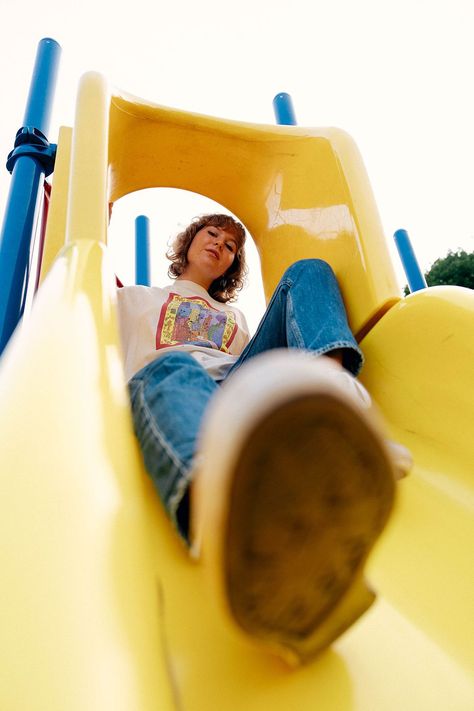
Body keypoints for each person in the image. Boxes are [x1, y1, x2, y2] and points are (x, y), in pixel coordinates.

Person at [116, 213, 411, 665]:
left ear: (232, 265)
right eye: (211, 233)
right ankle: (230, 525)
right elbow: (79, 318)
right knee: (167, 368)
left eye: (232, 245)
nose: (221, 243)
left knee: (307, 272)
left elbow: (259, 357)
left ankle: (335, 414)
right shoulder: (135, 299)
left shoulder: (235, 318)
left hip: (242, 390)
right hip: (178, 392)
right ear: (189, 242)